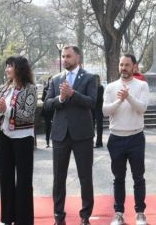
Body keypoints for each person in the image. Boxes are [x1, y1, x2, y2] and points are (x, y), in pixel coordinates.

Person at [44, 45, 98, 225]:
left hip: (82, 134)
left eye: (68, 56)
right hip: (60, 135)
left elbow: (92, 102)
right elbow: (47, 104)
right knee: (58, 178)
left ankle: (85, 216)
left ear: (78, 58)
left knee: (85, 177)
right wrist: (60, 99)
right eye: (63, 56)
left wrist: (72, 94)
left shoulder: (90, 78)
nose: (65, 59)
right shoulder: (56, 79)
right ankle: (59, 216)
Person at [103, 54, 149, 225]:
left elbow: (142, 108)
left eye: (127, 65)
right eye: (121, 64)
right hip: (116, 138)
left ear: (134, 67)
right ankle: (118, 213)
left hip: (136, 137)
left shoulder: (142, 85)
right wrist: (119, 100)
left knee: (138, 177)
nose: (123, 68)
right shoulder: (110, 87)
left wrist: (128, 97)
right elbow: (105, 111)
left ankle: (140, 213)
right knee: (118, 178)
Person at [0, 56, 37, 224]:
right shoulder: (4, 88)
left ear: (20, 68)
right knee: (6, 178)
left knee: (24, 180)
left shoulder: (30, 88)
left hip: (23, 138)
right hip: (4, 137)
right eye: (6, 66)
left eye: (10, 66)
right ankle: (7, 218)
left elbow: (29, 115)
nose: (7, 69)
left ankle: (24, 220)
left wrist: (7, 109)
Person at [41, 77, 54, 148]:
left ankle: (54, 141)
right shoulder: (45, 89)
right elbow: (43, 99)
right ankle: (47, 142)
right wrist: (47, 98)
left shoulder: (56, 87)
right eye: (50, 80)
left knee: (55, 126)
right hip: (46, 110)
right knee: (47, 127)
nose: (51, 82)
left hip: (54, 110)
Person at [94, 79, 104, 148]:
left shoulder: (100, 87)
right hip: (92, 109)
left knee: (99, 127)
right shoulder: (91, 87)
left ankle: (99, 142)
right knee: (90, 126)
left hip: (99, 109)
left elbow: (99, 98)